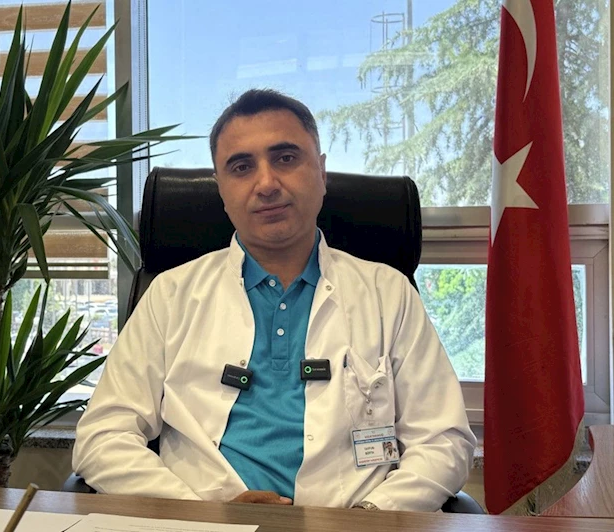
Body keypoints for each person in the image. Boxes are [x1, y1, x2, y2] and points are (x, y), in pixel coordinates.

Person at [73, 89, 476, 512]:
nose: (266, 184)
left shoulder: (387, 293)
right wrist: (202, 512)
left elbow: (443, 441)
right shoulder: (171, 295)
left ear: (321, 172)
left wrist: (369, 517)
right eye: (241, 167)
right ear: (221, 189)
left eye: (285, 158)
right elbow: (103, 437)